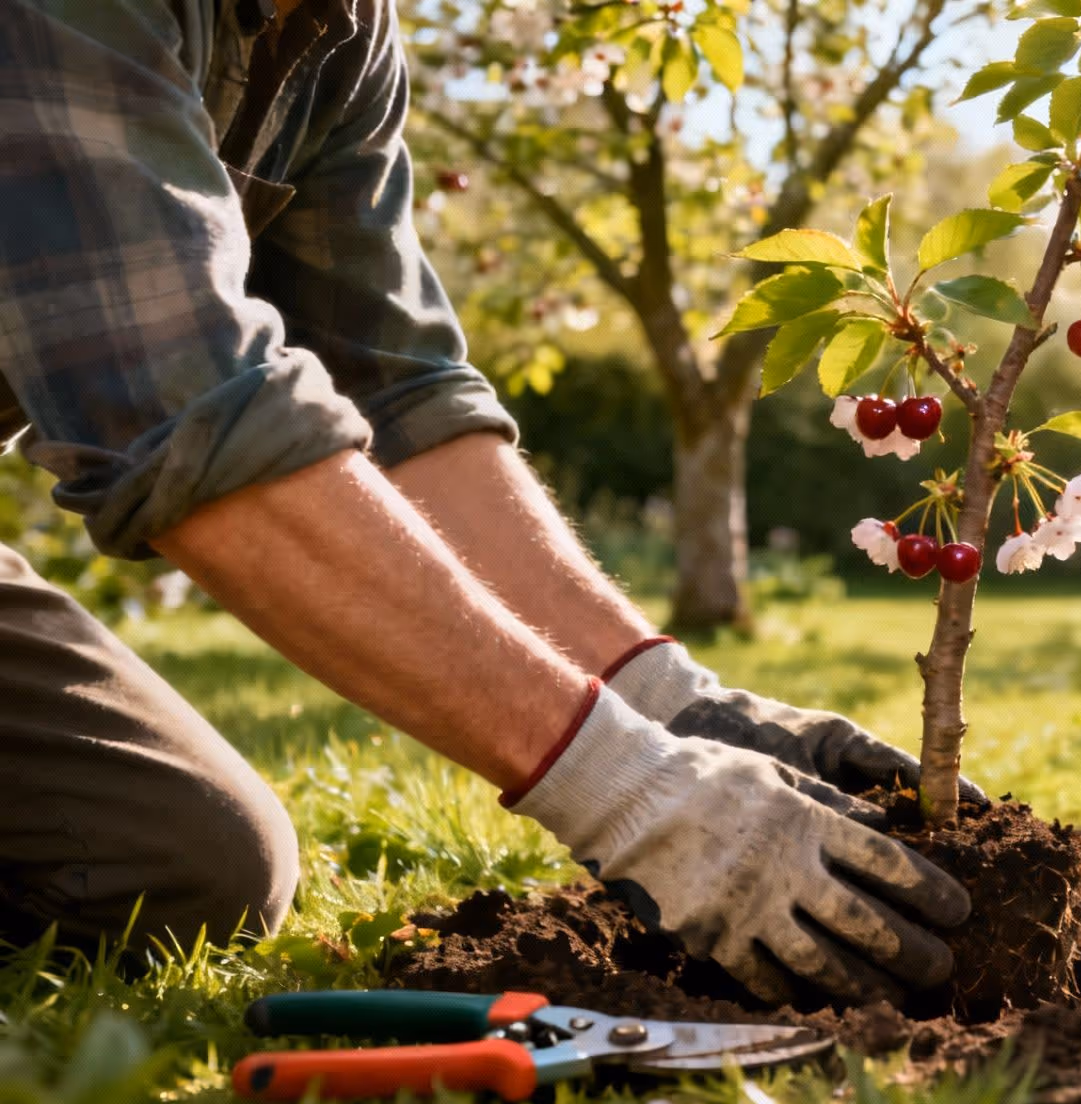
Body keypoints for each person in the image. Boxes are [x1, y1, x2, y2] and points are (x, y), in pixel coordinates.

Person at [0, 0, 970, 1006]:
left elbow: (397, 392)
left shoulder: (338, 31)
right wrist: (622, 784)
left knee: (185, 870)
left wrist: (672, 704)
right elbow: (181, 405)